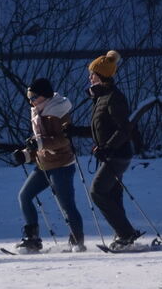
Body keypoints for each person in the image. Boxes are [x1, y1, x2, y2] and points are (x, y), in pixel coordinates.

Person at [66, 50, 144, 251]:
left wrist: (107, 147)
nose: (89, 77)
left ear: (101, 76)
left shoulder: (113, 98)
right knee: (113, 195)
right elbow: (100, 129)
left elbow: (124, 129)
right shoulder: (101, 98)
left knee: (98, 192)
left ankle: (126, 234)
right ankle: (123, 234)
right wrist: (74, 131)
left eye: (92, 74)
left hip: (118, 155)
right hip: (110, 154)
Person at [11, 78, 85, 253]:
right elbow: (39, 142)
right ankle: (32, 239)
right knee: (24, 196)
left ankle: (77, 242)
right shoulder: (37, 112)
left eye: (34, 97)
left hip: (62, 165)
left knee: (67, 205)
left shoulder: (59, 111)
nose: (31, 101)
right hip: (43, 165)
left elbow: (63, 140)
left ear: (45, 96)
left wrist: (40, 144)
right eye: (29, 97)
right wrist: (26, 154)